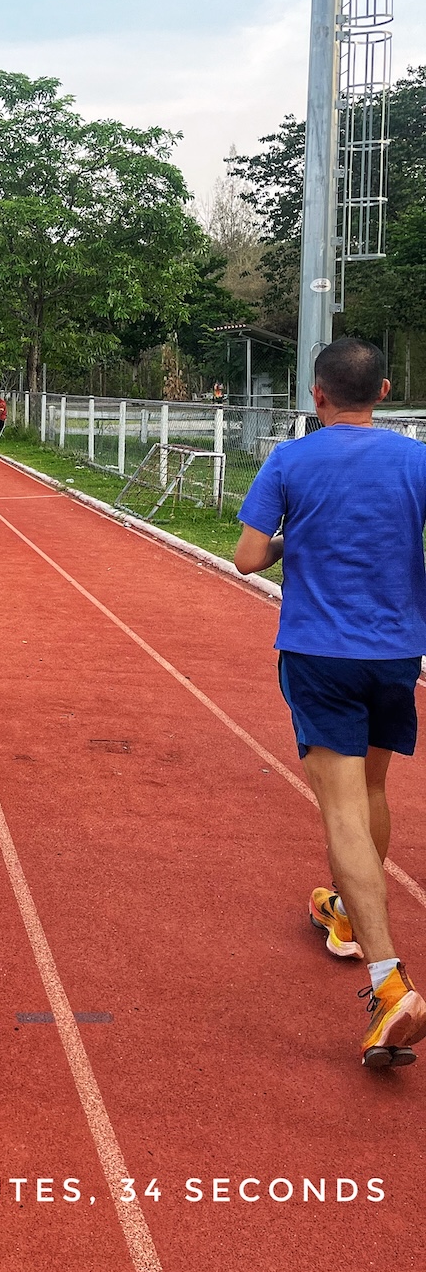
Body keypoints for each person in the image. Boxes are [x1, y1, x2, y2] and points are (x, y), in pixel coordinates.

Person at [235, 337, 426, 1068]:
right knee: (374, 788)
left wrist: (291, 542)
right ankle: (345, 914)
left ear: (316, 395)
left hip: (322, 652)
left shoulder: (291, 460)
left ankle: (389, 982)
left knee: (342, 808)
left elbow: (249, 556)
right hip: (395, 653)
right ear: (382, 390)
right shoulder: (415, 458)